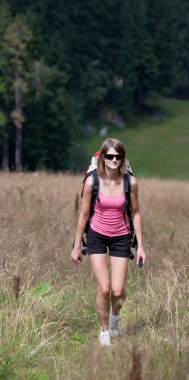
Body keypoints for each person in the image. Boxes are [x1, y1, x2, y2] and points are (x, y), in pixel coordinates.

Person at [71, 138, 146, 346]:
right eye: (110, 156)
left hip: (121, 237)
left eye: (118, 156)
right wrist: (77, 246)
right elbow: (84, 215)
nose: (114, 160)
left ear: (122, 158)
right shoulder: (91, 182)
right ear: (103, 158)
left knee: (118, 291)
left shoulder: (130, 182)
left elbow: (136, 213)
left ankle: (115, 318)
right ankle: (104, 332)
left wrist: (140, 246)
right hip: (96, 235)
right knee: (104, 288)